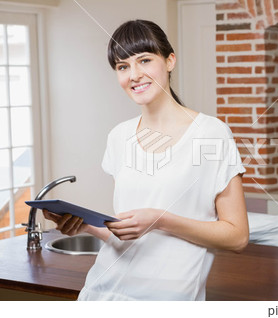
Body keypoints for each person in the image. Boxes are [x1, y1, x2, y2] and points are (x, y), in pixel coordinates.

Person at [42, 19, 248, 301]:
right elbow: (129, 237)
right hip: (102, 293)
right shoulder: (119, 136)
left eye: (145, 60)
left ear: (170, 61)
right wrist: (85, 226)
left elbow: (237, 237)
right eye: (123, 66)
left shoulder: (212, 133)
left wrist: (161, 220)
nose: (134, 75)